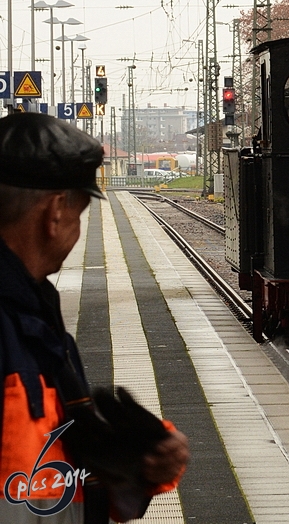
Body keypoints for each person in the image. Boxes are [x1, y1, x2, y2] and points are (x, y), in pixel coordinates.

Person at [0, 112, 189, 523]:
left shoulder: (36, 314)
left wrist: (135, 471)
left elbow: (40, 480)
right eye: (80, 213)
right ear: (54, 213)